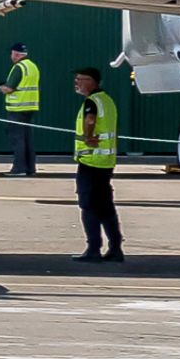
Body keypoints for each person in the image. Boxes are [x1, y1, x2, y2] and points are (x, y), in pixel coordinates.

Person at [70, 66, 127, 260]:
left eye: (80, 79)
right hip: (106, 161)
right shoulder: (107, 100)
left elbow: (90, 119)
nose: (77, 83)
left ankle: (93, 248)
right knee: (105, 206)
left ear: (92, 81)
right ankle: (115, 248)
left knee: (88, 205)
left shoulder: (92, 102)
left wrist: (88, 137)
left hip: (91, 160)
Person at [0, 43, 43, 177]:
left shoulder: (19, 67)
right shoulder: (33, 66)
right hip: (30, 107)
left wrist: (1, 88)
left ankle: (19, 168)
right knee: (28, 139)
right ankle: (30, 168)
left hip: (17, 108)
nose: (11, 56)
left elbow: (10, 88)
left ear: (17, 54)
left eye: (12, 53)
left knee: (17, 139)